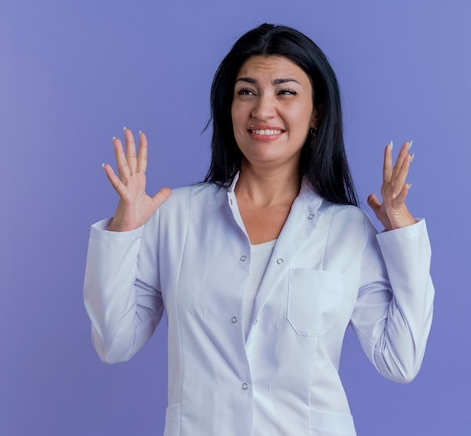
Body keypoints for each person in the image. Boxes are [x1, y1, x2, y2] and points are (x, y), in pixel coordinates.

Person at [84, 23, 434, 436]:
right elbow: (114, 341)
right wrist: (125, 228)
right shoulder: (174, 216)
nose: (263, 109)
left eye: (285, 91)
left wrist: (403, 232)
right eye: (246, 91)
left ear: (316, 111)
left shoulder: (347, 231)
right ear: (228, 108)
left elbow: (401, 359)